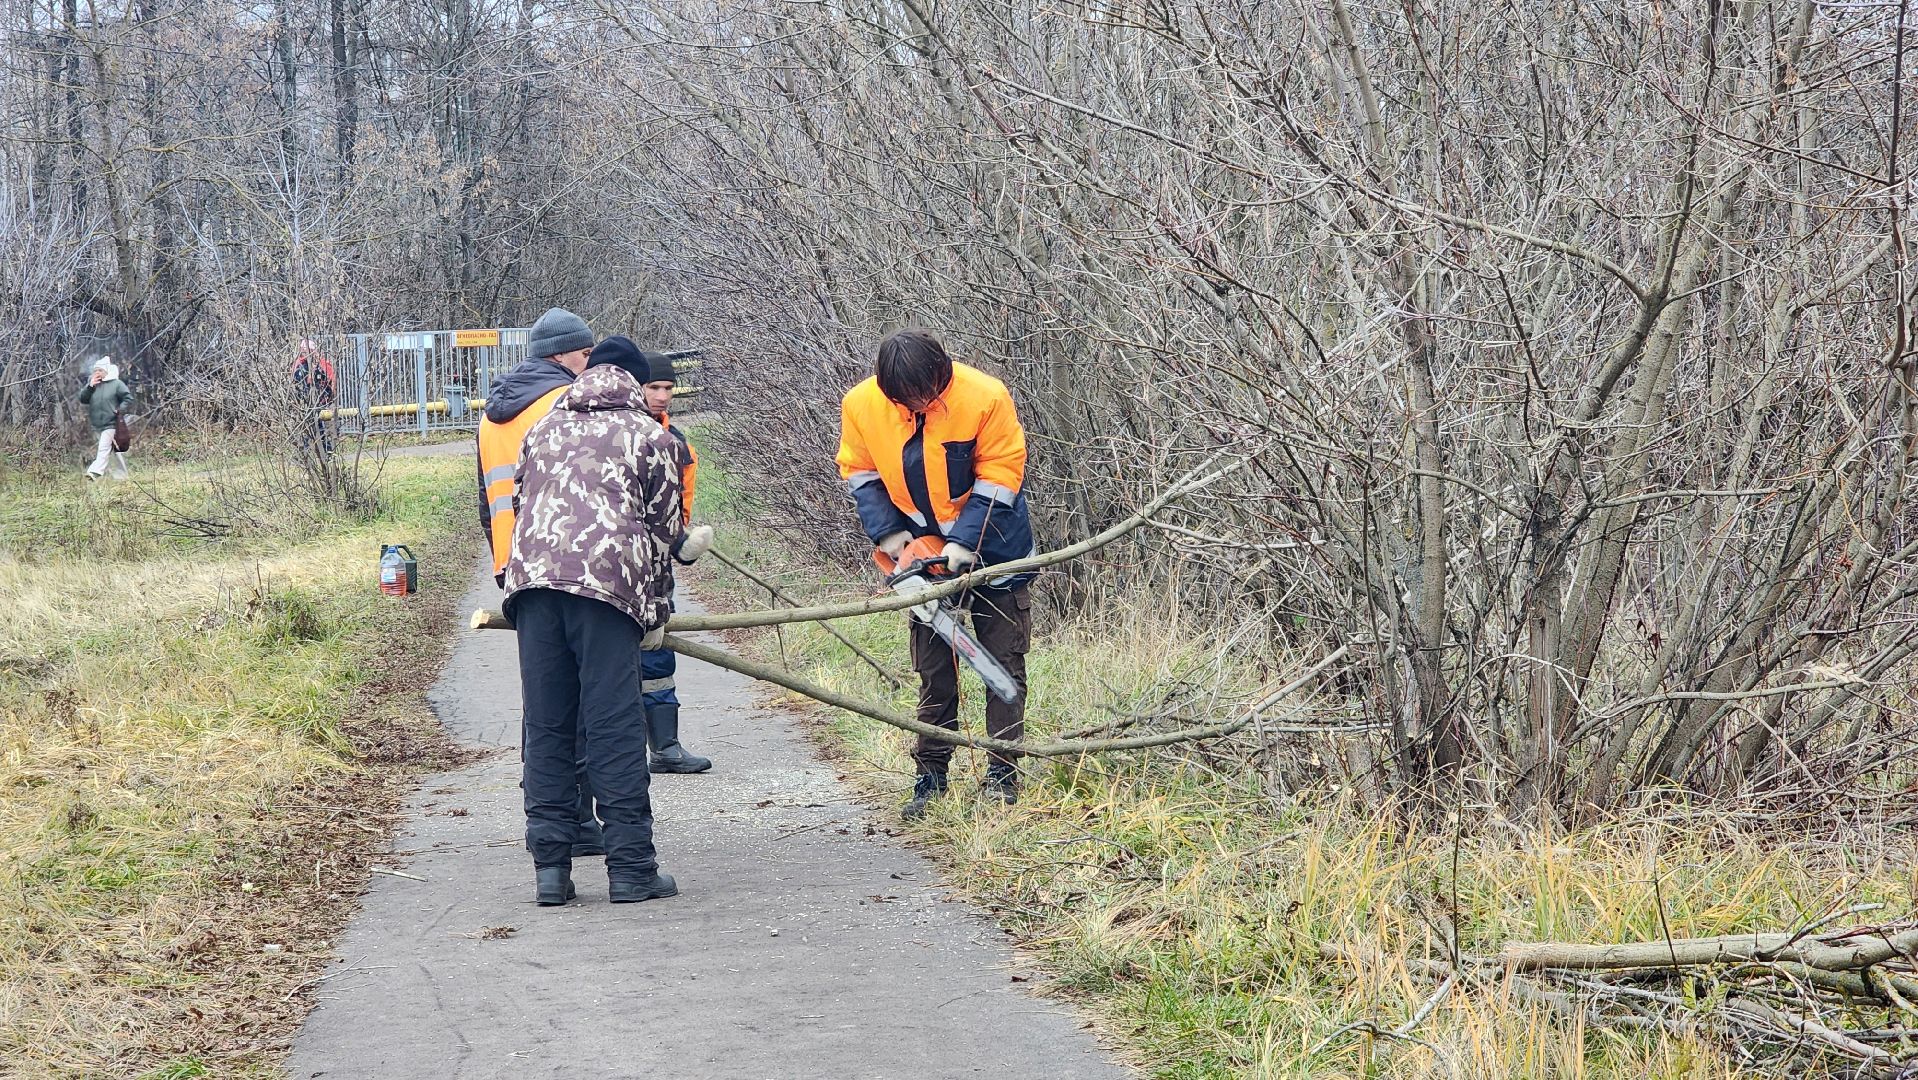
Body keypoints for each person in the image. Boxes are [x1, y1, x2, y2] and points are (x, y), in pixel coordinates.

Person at [502, 358, 684, 906]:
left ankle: (551, 872)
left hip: (532, 589)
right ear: (632, 390)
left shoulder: (542, 429)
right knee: (614, 726)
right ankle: (631, 869)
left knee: (548, 724)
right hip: (606, 591)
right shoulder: (649, 436)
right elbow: (662, 532)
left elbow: (519, 503)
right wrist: (653, 613)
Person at [836, 329, 1036, 819]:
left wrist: (965, 542)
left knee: (1003, 663)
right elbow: (860, 471)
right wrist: (887, 533)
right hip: (918, 551)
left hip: (995, 544)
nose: (921, 403)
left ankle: (1003, 771)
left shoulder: (984, 396)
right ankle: (931, 773)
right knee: (934, 671)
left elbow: (1001, 472)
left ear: (942, 374)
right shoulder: (862, 405)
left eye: (928, 394)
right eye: (910, 398)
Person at [475, 308, 605, 856]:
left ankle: (551, 817)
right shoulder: (561, 403)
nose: (589, 365)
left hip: (517, 565)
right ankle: (575, 818)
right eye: (583, 355)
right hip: (564, 562)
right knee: (578, 700)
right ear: (562, 356)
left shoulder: (492, 414)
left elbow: (487, 500)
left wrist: (502, 563)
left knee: (544, 698)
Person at [586, 338, 714, 774]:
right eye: (652, 386)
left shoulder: (675, 440)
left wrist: (681, 543)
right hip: (619, 562)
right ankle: (617, 753)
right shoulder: (624, 433)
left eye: (667, 388)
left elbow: (676, 506)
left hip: (659, 561)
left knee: (657, 656)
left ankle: (665, 745)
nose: (660, 395)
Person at [79, 357, 133, 480]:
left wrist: (120, 409)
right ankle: (122, 475)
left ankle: (94, 472)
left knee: (103, 448)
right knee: (114, 451)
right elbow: (83, 399)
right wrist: (90, 386)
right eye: (95, 370)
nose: (97, 373)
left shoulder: (116, 384)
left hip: (111, 423)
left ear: (107, 371)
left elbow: (128, 398)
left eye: (100, 370)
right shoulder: (93, 385)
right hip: (97, 424)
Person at [291, 339, 337, 457]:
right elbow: (295, 382)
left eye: (308, 350)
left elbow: (331, 381)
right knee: (308, 428)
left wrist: (330, 399)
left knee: (320, 428)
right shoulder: (300, 365)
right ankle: (306, 453)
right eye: (303, 350)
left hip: (320, 402)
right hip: (306, 402)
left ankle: (326, 452)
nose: (305, 353)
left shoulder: (322, 364)